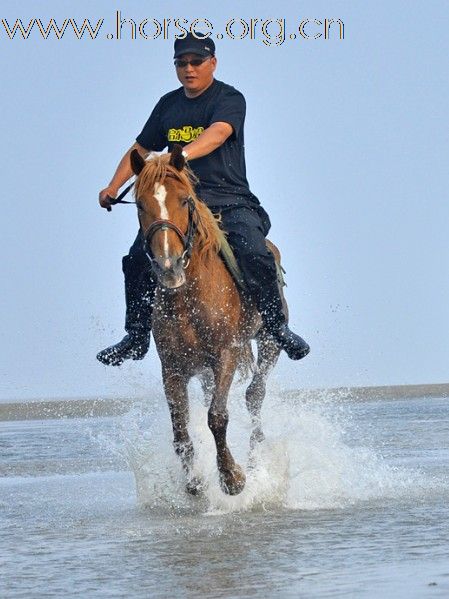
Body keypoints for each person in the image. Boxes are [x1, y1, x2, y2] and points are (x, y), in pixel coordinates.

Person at [97, 32, 310, 366]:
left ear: (212, 63)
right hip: (180, 202)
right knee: (137, 259)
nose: (189, 69)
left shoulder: (229, 98)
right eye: (181, 63)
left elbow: (217, 135)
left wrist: (174, 158)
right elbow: (140, 148)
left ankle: (276, 325)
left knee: (255, 252)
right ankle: (136, 336)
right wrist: (112, 186)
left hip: (229, 199)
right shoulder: (168, 105)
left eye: (196, 62)